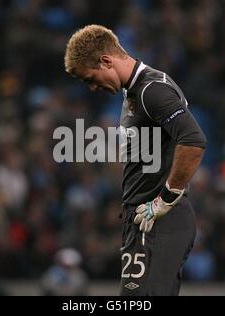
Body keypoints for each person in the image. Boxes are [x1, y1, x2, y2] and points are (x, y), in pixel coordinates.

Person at [64, 25, 206, 295]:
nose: (93, 88)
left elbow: (194, 141)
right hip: (144, 221)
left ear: (106, 60)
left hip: (158, 222)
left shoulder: (151, 90)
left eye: (90, 79)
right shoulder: (134, 92)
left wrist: (165, 199)